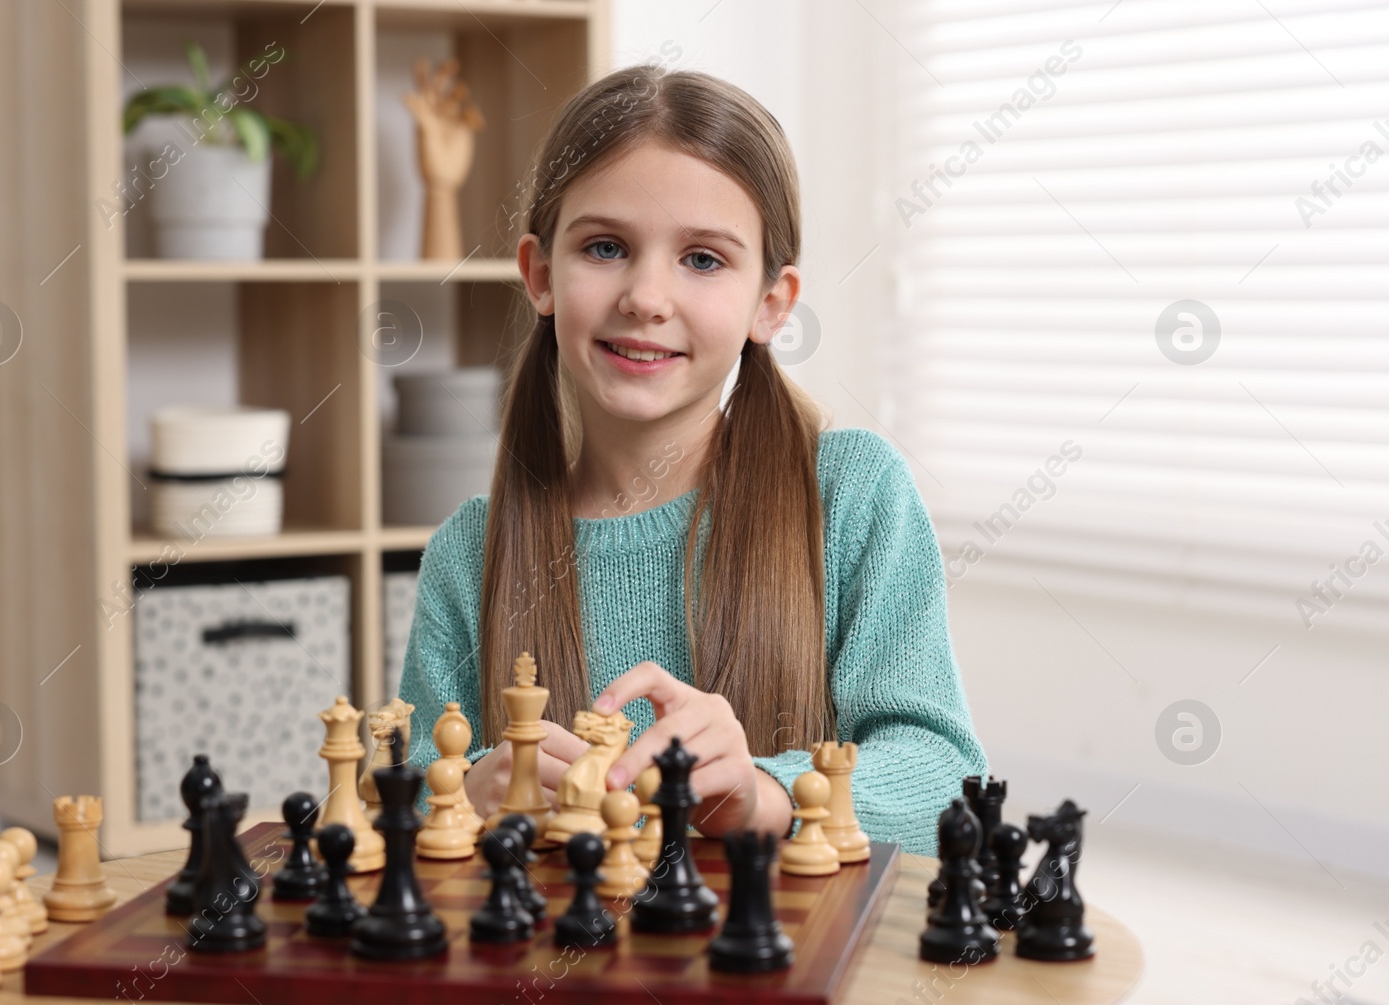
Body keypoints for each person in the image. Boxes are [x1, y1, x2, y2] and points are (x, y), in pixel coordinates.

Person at [398, 63, 987, 855]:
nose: (645, 296)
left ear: (770, 303)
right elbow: (389, 801)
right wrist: (466, 795)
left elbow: (945, 777)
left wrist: (768, 791)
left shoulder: (851, 493)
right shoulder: (468, 554)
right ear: (540, 274)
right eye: (605, 247)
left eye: (703, 259)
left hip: (783, 966)